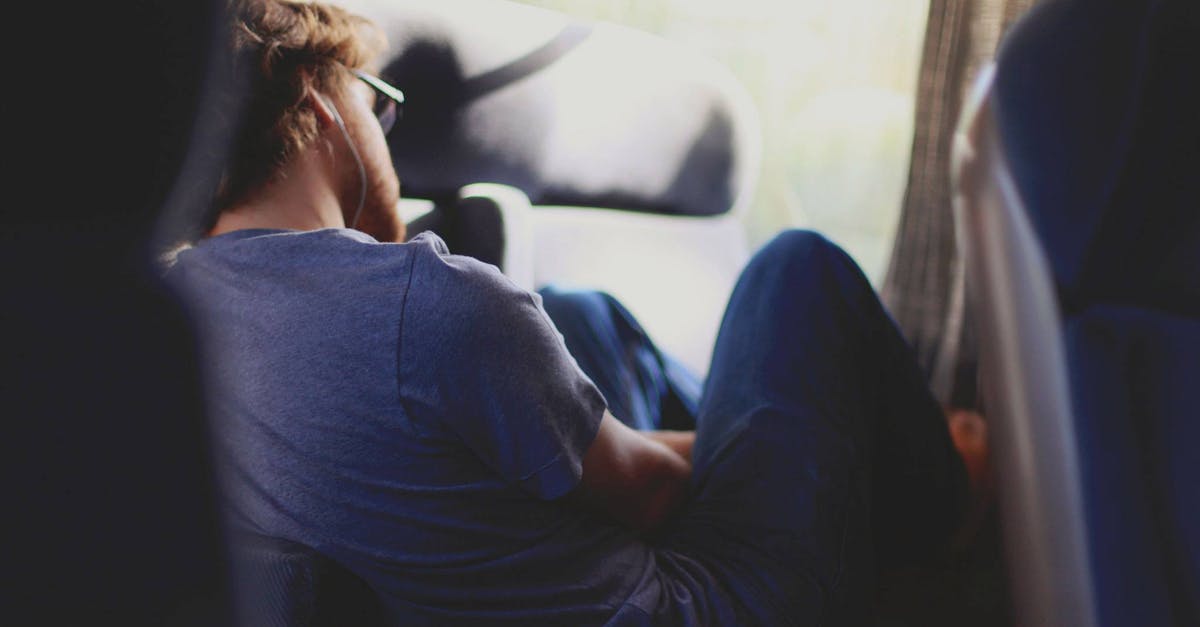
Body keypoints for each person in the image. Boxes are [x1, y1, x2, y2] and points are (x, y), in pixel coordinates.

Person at [168, 1, 969, 624]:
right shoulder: (422, 299)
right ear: (322, 100)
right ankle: (958, 506)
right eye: (378, 106)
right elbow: (652, 493)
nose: (386, 136)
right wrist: (768, 428)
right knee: (793, 270)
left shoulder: (165, 326)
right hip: (700, 603)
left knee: (579, 314)